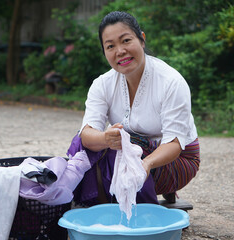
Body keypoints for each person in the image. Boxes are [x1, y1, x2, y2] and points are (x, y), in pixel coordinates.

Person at [67, 11, 200, 206]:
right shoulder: (102, 84)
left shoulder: (171, 82)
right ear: (104, 52)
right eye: (110, 46)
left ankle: (136, 213)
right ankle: (95, 203)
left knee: (122, 151)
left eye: (126, 40)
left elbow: (175, 144)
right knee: (83, 146)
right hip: (133, 153)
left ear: (142, 39)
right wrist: (105, 138)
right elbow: (86, 135)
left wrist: (146, 164)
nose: (120, 51)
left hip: (176, 159)